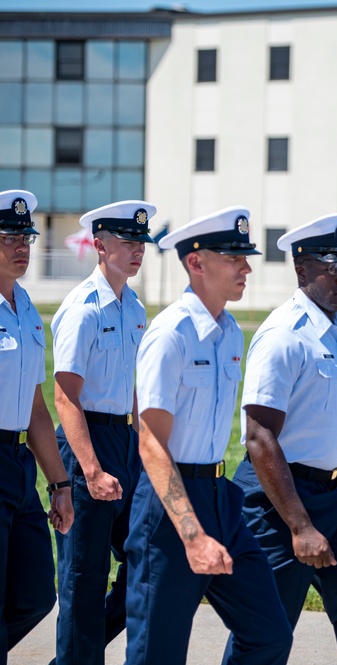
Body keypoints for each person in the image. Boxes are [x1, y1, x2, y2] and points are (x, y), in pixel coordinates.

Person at [227, 213, 337, 664]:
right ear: (302, 269)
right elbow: (259, 435)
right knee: (266, 632)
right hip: (280, 499)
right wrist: (300, 526)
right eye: (332, 264)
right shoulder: (285, 334)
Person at [125, 207, 293, 664]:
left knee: (270, 635)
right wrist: (192, 534)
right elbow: (150, 442)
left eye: (247, 256)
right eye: (234, 256)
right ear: (196, 263)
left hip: (221, 497)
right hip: (169, 506)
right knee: (156, 653)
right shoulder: (170, 335)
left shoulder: (231, 333)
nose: (247, 267)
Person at [50, 200, 155, 665]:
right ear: (99, 245)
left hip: (124, 441)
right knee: (84, 574)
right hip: (85, 441)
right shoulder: (81, 309)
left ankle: (77, 653)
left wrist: (142, 449)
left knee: (143, 558)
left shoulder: (133, 307)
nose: (137, 251)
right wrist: (90, 469)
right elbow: (66, 396)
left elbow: (131, 386)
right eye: (128, 242)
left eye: (141, 243)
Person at [0, 189, 74, 659]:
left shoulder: (26, 307)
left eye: (27, 236)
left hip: (18, 463)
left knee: (33, 596)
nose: (23, 245)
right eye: (10, 236)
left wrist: (59, 484)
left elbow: (35, 405)